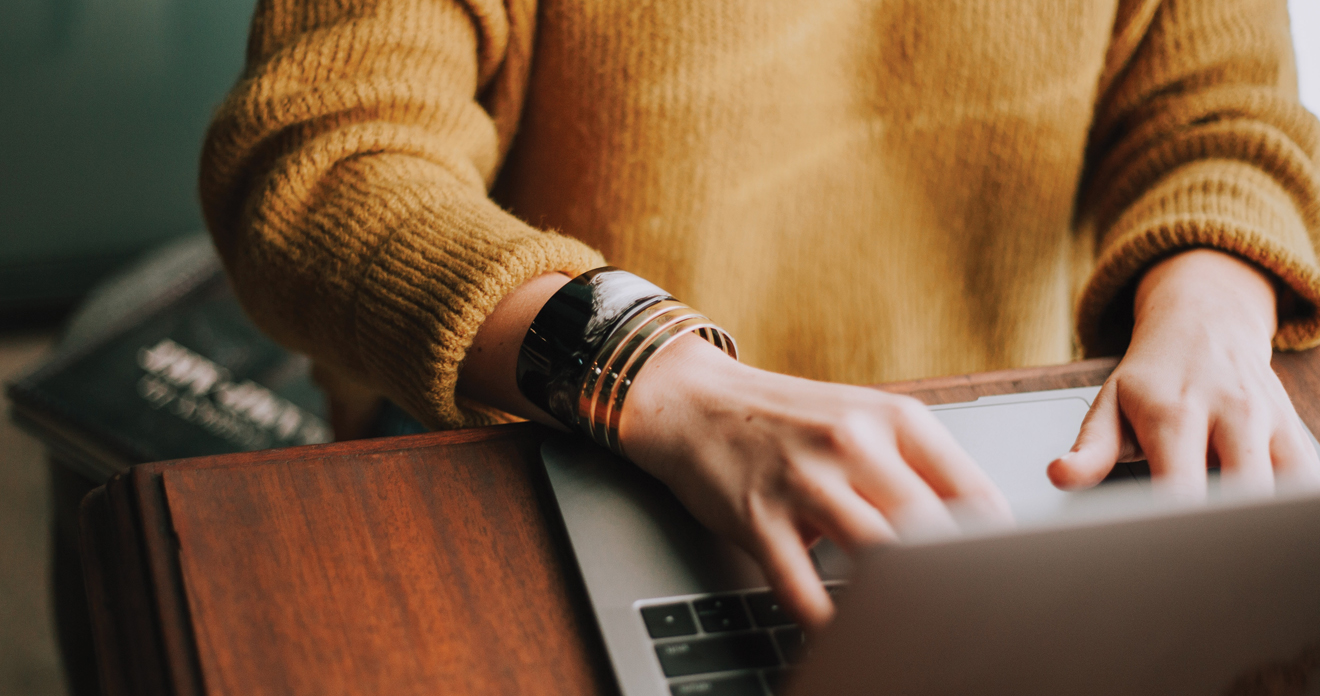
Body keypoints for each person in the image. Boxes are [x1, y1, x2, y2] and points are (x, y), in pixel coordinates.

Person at [200, 0, 1320, 629]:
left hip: (998, 478)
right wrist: (662, 376)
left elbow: (1221, 110)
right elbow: (322, 161)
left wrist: (1213, 301)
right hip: (561, 450)